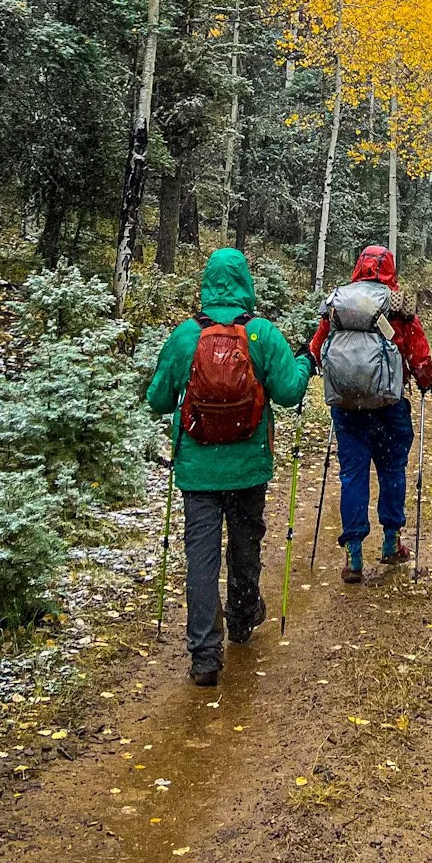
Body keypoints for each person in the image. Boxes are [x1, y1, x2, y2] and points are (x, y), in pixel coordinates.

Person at [146, 246, 312, 686]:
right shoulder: (261, 334)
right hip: (247, 467)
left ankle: (204, 654)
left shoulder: (185, 336)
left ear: (206, 282)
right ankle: (241, 618)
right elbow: (291, 391)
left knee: (200, 557)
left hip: (197, 471)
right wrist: (305, 360)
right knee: (244, 544)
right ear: (245, 284)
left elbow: (158, 399)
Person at [310, 244, 432, 584]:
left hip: (347, 409)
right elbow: (418, 353)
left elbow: (317, 348)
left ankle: (353, 554)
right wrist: (424, 381)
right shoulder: (397, 305)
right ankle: (391, 542)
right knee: (392, 470)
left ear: (358, 268)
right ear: (389, 269)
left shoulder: (338, 303)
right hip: (388, 407)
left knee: (353, 475)